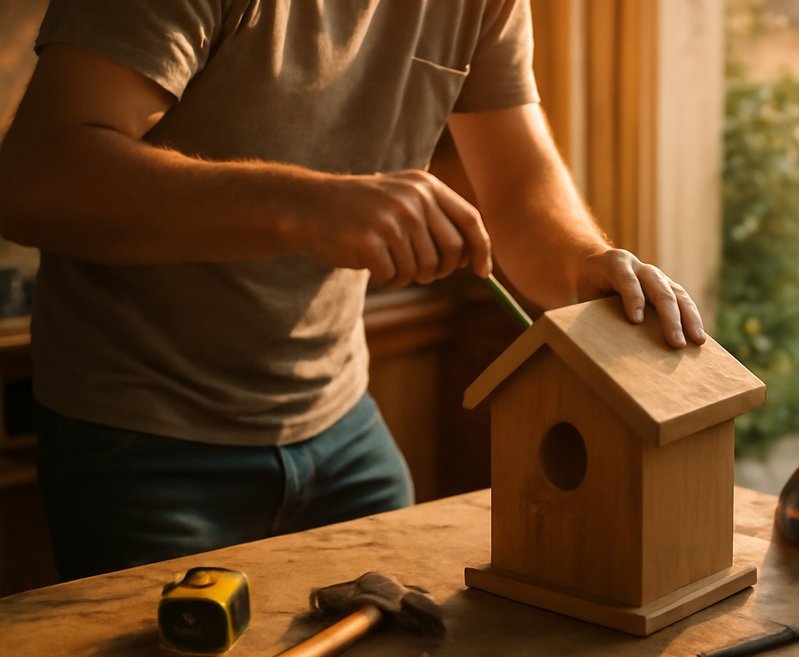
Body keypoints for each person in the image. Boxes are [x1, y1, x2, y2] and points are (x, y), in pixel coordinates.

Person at [0, 0, 706, 581]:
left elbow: (519, 195)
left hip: (342, 426)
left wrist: (587, 264)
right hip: (142, 440)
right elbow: (35, 180)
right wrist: (307, 207)